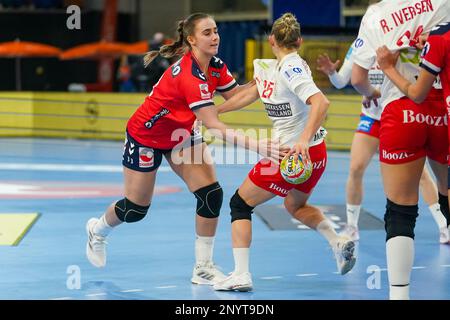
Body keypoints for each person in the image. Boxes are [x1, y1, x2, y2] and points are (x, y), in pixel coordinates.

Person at [85, 12, 287, 286]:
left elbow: (236, 96)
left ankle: (203, 267)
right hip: (146, 135)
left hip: (180, 134)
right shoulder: (189, 75)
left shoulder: (215, 66)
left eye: (215, 30)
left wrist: (265, 79)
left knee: (211, 194)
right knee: (135, 210)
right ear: (191, 40)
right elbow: (214, 124)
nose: (215, 36)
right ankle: (97, 230)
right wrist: (258, 145)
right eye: (207, 33)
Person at [212, 13, 356, 292]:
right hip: (315, 155)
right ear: (300, 41)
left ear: (271, 40)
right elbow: (245, 95)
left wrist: (301, 140)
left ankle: (241, 274)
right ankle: (337, 242)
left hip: (290, 156)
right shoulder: (270, 69)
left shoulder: (292, 69)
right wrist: (213, 112)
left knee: (240, 204)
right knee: (295, 206)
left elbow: (321, 102)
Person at [350, 0, 449, 299]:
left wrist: (371, 93)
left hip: (401, 110)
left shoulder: (375, 15)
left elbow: (357, 78)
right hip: (443, 107)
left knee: (400, 212)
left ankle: (399, 294)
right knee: (446, 194)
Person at [317, 39, 449, 243]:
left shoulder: (406, 39)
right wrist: (332, 73)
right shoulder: (361, 44)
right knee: (355, 167)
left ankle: (443, 225)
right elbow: (342, 81)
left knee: (421, 176)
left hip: (399, 117)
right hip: (372, 118)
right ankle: (351, 227)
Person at [376, 22, 450, 231]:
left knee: (400, 211)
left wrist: (389, 68)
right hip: (438, 124)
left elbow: (418, 94)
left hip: (409, 113)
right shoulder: (439, 36)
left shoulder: (441, 36)